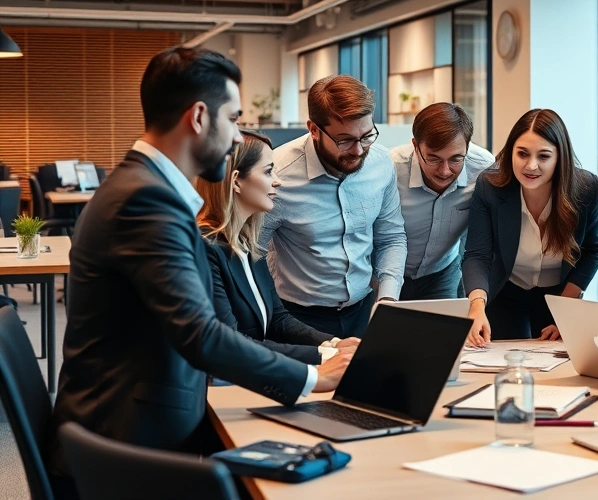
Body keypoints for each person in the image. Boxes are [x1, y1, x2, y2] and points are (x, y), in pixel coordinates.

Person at [47, 48, 353, 489]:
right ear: (198, 118)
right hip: (124, 447)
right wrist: (313, 377)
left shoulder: (144, 190)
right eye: (232, 119)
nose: (234, 139)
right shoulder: (145, 202)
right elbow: (200, 334)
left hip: (135, 427)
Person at [259, 75, 406, 339]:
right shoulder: (276, 175)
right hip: (298, 318)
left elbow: (391, 237)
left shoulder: (381, 163)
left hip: (365, 310)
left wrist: (388, 299)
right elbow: (250, 254)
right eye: (345, 140)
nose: (359, 150)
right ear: (314, 129)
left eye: (367, 136)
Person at [195, 131, 358, 365]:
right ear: (236, 181)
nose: (277, 181)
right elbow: (231, 342)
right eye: (268, 171)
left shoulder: (249, 243)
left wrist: (333, 343)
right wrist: (326, 356)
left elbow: (278, 320)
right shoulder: (205, 248)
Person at [462, 109, 598, 345]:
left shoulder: (585, 189)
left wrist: (566, 311)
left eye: (544, 156)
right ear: (511, 152)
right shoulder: (490, 186)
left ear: (560, 158)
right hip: (506, 291)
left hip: (559, 296)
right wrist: (476, 306)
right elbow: (477, 254)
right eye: (522, 154)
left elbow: (592, 252)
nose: (531, 166)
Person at [389, 103, 494, 300]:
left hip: (442, 272)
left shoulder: (482, 169)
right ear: (415, 145)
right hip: (387, 275)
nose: (445, 171)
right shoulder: (391, 169)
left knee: (443, 330)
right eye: (434, 159)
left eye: (455, 159)